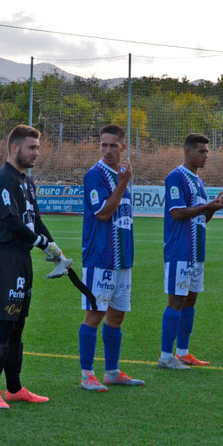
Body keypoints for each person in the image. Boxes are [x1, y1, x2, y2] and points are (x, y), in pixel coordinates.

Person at [0, 125, 71, 409]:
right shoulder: (3, 179)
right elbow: (11, 222)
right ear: (14, 148)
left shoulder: (26, 181)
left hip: (22, 259)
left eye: (38, 148)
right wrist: (42, 244)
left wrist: (55, 247)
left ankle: (15, 388)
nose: (37, 153)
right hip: (4, 259)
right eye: (32, 148)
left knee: (18, 328)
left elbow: (35, 220)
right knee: (3, 327)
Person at [78, 124, 144, 390]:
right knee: (94, 315)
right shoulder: (95, 175)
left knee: (116, 317)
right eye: (103, 145)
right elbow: (103, 213)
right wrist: (124, 182)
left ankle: (112, 372)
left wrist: (124, 180)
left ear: (123, 147)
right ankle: (86, 375)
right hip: (100, 257)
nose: (107, 150)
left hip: (122, 260)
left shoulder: (122, 174)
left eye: (113, 146)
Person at [158, 134, 223, 369]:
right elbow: (176, 213)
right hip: (180, 249)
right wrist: (207, 206)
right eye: (201, 151)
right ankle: (166, 356)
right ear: (187, 152)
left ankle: (183, 352)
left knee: (190, 300)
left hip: (197, 251)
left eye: (207, 151)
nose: (206, 155)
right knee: (176, 301)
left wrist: (213, 209)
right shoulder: (176, 177)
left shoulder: (199, 181)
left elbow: (201, 219)